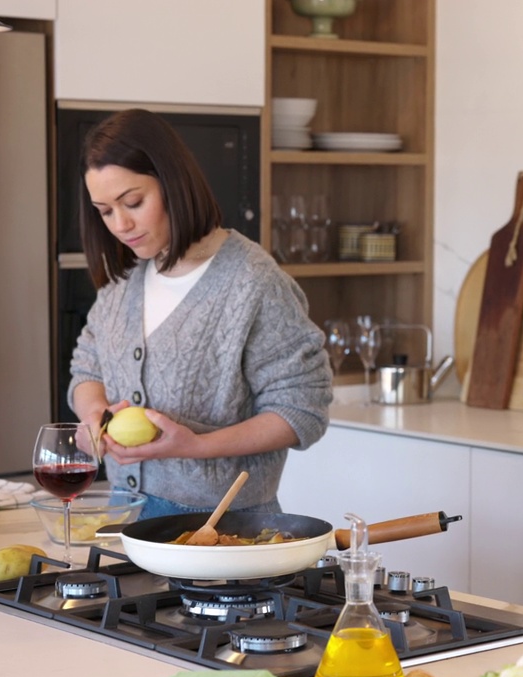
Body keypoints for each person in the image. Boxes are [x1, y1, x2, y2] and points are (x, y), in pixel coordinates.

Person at [70, 108, 331, 520]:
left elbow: (302, 412)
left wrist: (196, 445)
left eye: (133, 202)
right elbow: (87, 371)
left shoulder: (253, 283)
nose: (120, 224)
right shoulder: (124, 282)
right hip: (125, 517)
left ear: (173, 183)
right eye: (105, 211)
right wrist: (94, 420)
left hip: (224, 528)